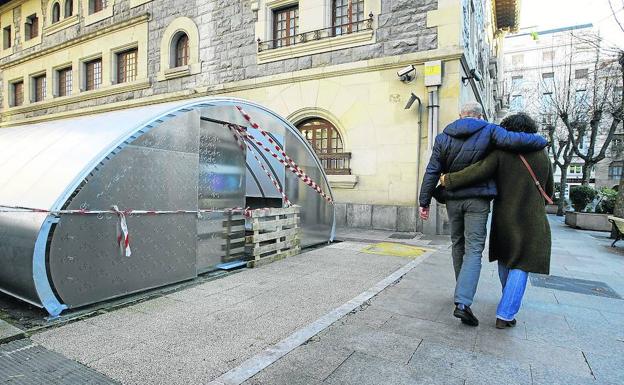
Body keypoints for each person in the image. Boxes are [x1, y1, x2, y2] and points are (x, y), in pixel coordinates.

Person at [419, 102, 547, 327]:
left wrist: (425, 200)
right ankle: (466, 302)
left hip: (458, 202)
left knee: (458, 244)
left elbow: (432, 170)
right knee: (476, 250)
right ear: (480, 116)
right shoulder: (490, 131)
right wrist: (542, 140)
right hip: (486, 203)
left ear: (461, 115)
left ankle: (463, 293)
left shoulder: (443, 137)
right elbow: (515, 143)